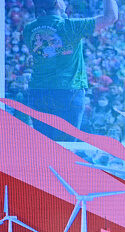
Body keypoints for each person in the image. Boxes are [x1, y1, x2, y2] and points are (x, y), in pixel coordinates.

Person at [23, 0, 118, 141]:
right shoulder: (71, 26)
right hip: (68, 92)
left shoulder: (29, 29)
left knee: (43, 147)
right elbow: (111, 17)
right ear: (57, 4)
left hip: (38, 92)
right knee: (65, 150)